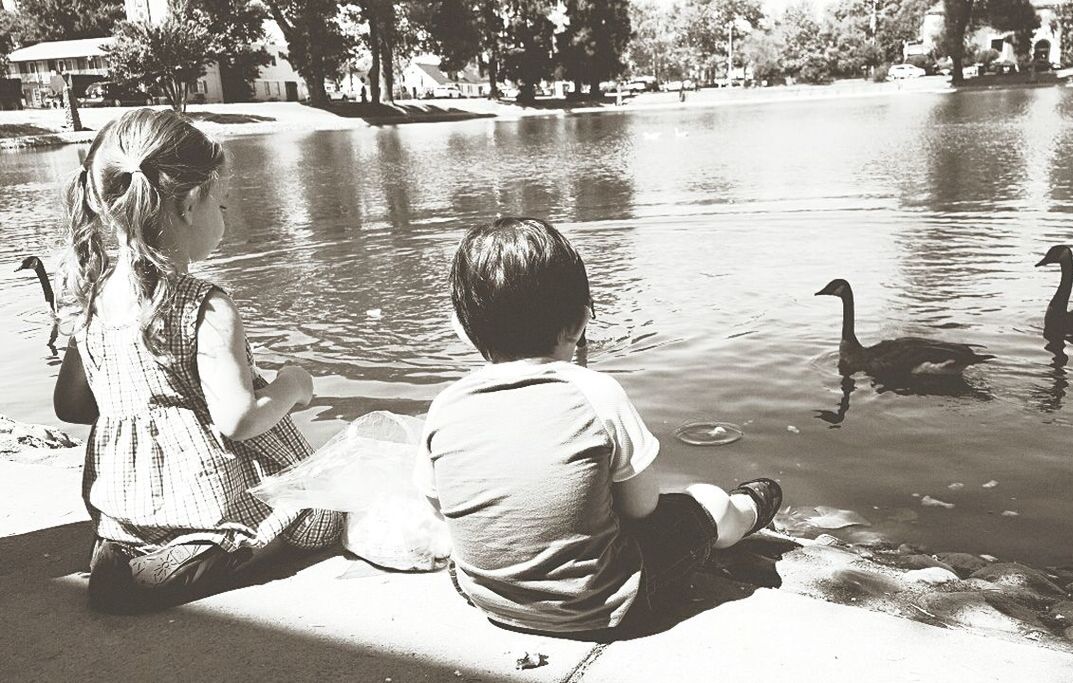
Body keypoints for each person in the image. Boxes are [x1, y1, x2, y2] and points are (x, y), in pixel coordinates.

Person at [415, 217, 783, 635]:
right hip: (603, 605)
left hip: (487, 597)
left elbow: (439, 505)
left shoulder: (446, 404)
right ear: (581, 321)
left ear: (462, 330)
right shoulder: (597, 393)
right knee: (703, 504)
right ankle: (751, 508)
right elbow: (643, 508)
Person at [52, 108, 342, 614]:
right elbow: (239, 421)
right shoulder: (204, 303)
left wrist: (133, 403)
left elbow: (71, 407)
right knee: (321, 516)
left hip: (123, 503)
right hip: (207, 496)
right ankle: (204, 553)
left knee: (139, 528)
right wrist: (292, 385)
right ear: (189, 205)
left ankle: (125, 551)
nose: (224, 216)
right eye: (222, 203)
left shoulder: (94, 296)